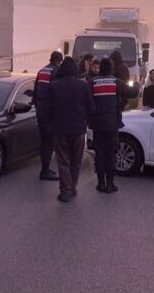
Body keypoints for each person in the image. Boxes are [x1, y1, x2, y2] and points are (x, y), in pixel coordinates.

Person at [88, 58, 139, 193]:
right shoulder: (117, 82)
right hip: (112, 124)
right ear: (111, 68)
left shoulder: (92, 83)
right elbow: (133, 93)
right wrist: (137, 85)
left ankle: (100, 183)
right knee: (111, 153)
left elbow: (86, 100)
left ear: (100, 68)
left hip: (97, 124)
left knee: (99, 153)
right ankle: (110, 184)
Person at [49, 56, 95, 202]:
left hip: (60, 129)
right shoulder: (83, 86)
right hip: (78, 130)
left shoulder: (54, 85)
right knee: (76, 160)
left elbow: (49, 108)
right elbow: (91, 108)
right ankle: (72, 187)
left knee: (63, 161)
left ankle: (65, 190)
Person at [31, 51, 63, 181]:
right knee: (48, 141)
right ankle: (45, 170)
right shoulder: (55, 72)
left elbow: (36, 89)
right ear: (59, 61)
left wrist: (38, 104)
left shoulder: (42, 71)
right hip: (50, 111)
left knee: (44, 139)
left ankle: (45, 168)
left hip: (41, 110)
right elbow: (57, 92)